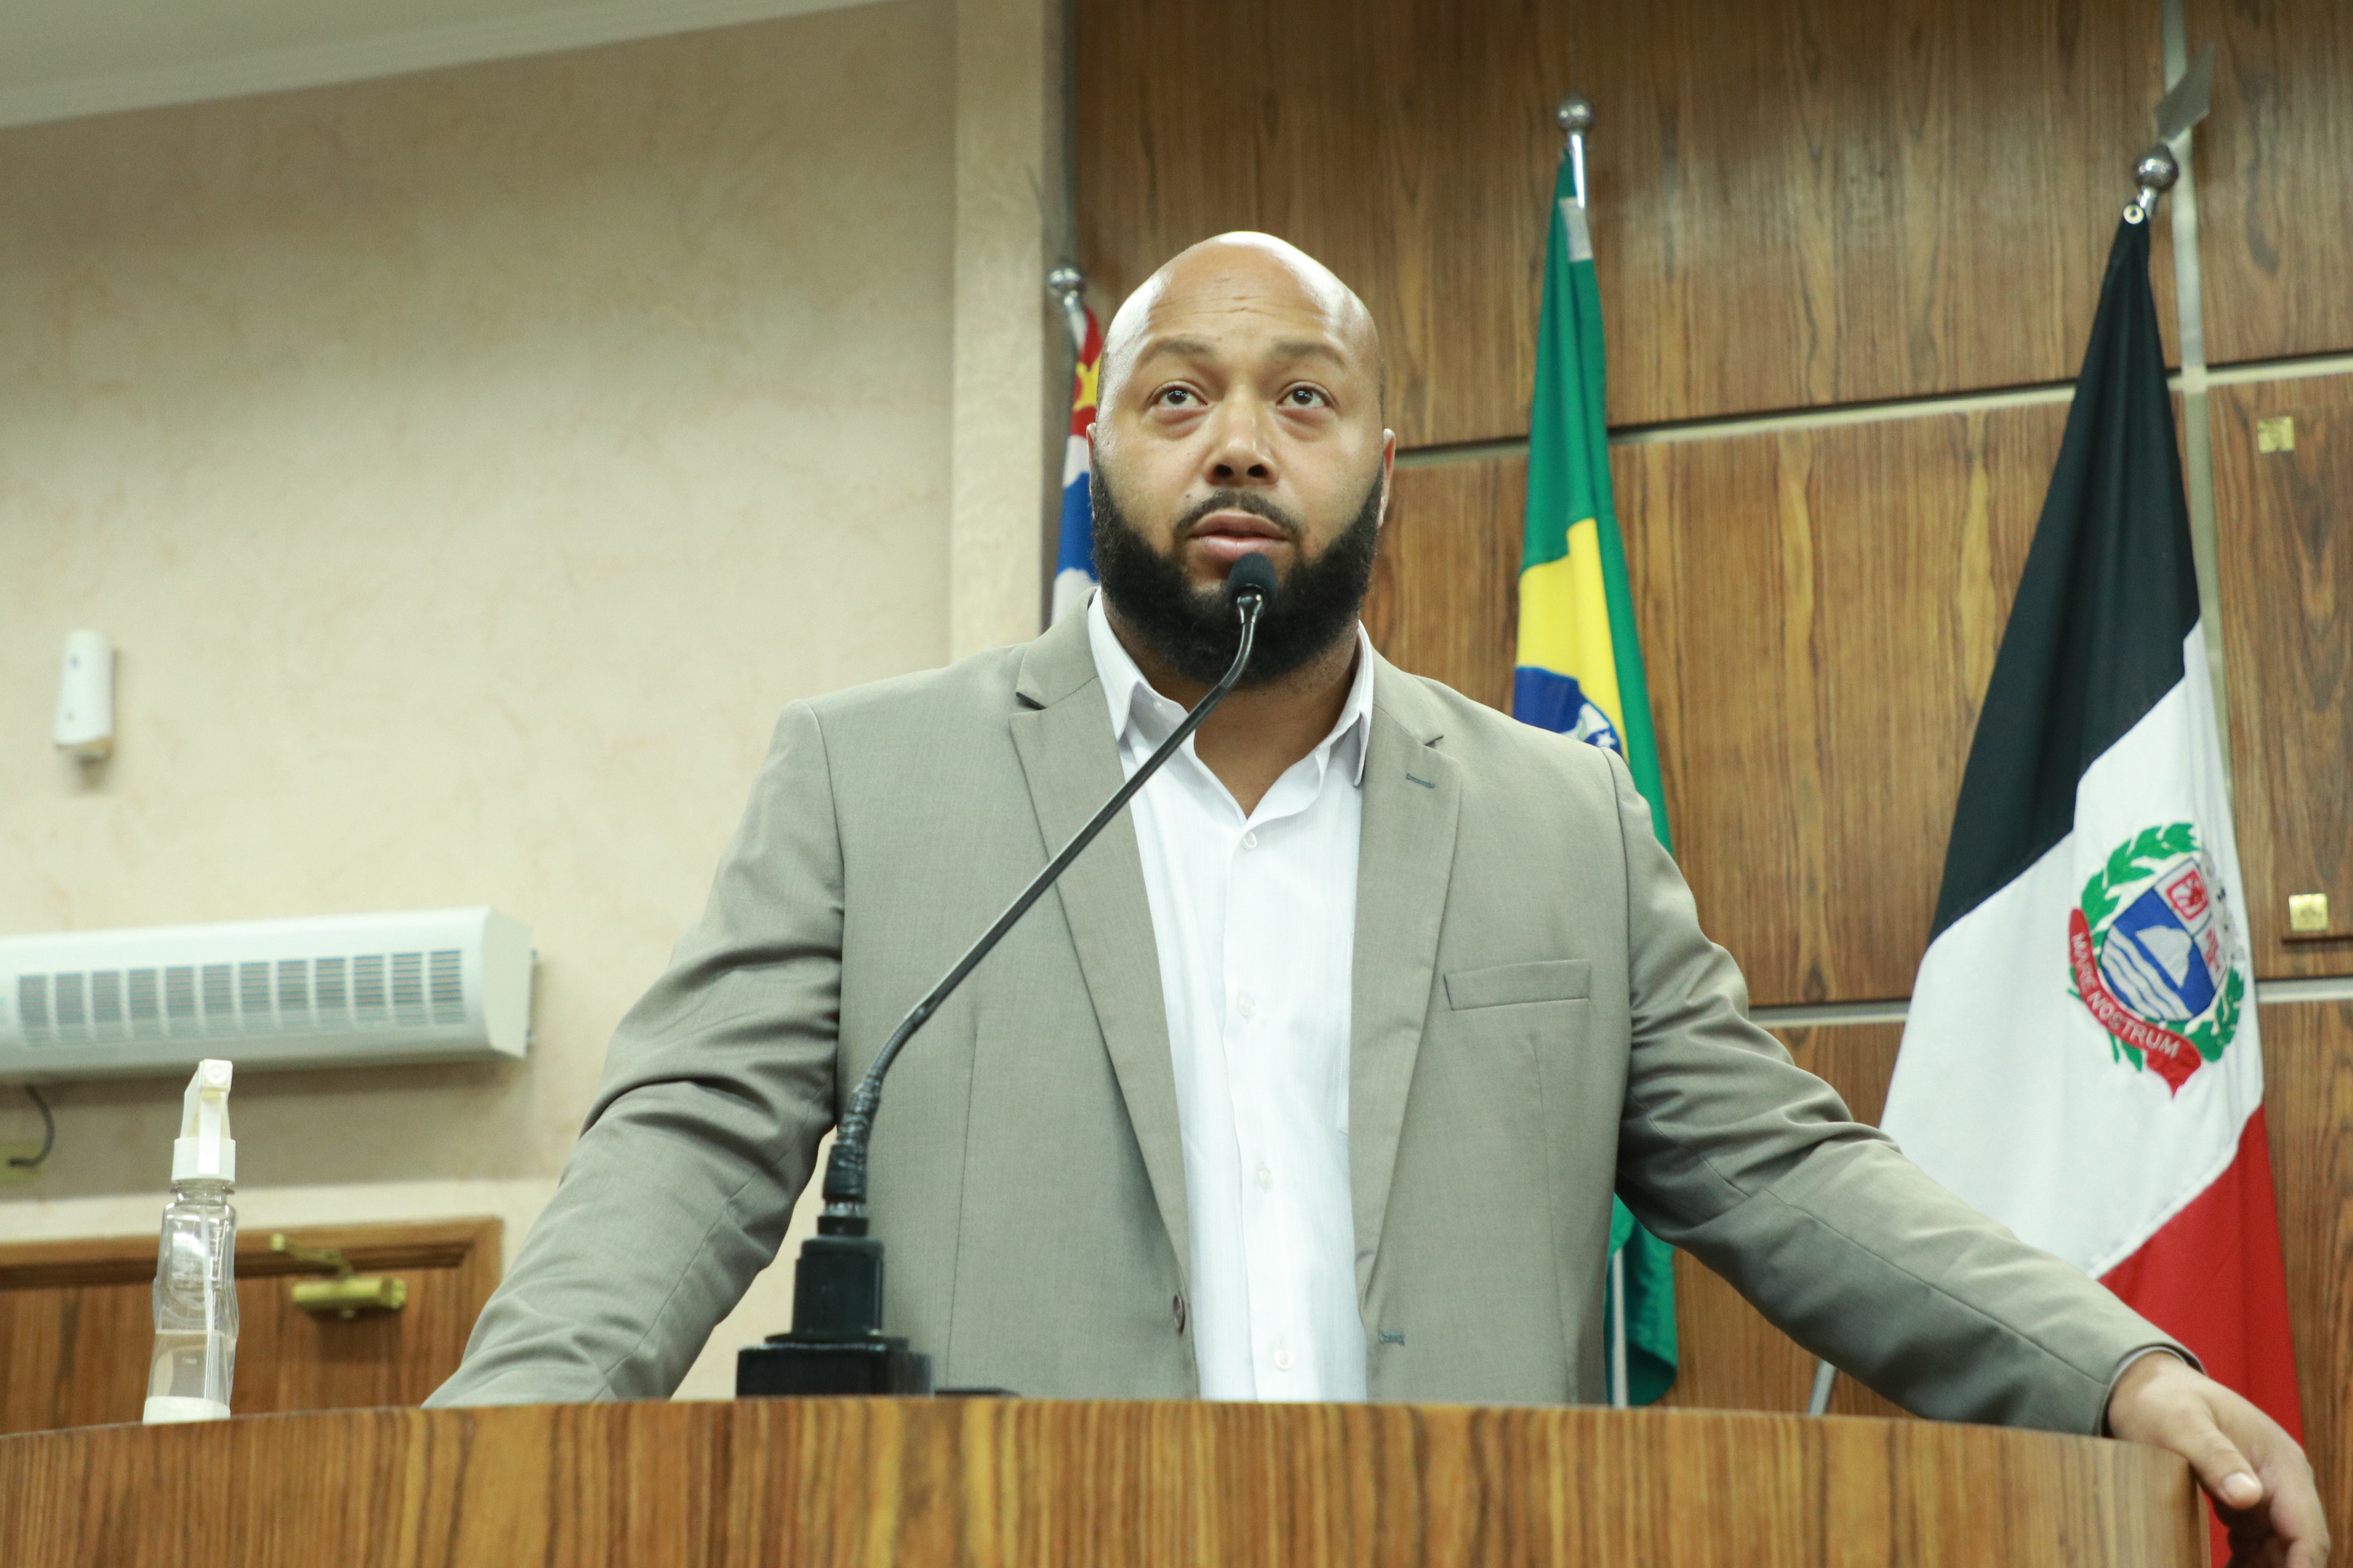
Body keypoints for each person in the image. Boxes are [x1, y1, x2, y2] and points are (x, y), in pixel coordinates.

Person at [430, 233, 2326, 1564]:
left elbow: (1785, 1175)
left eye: (1304, 398)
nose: (1240, 441)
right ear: (1098, 450)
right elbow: (681, 1153)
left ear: (1384, 468)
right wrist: (472, 1482)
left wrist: (2118, 1368)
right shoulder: (872, 780)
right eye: (1178, 397)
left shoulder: (1559, 820)